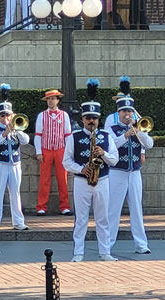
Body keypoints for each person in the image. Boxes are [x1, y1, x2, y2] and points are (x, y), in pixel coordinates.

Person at [63, 79, 119, 262]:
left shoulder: (106, 136)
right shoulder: (75, 136)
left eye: (94, 118)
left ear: (98, 118)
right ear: (82, 119)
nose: (91, 121)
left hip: (102, 180)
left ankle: (105, 252)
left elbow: (115, 159)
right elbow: (66, 162)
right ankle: (78, 253)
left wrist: (103, 153)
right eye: (88, 118)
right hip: (82, 181)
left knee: (103, 219)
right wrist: (81, 169)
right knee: (81, 219)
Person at [108, 76, 153, 254]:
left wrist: (139, 132)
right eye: (124, 112)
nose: (127, 115)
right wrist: (126, 134)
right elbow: (112, 147)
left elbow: (149, 145)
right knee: (113, 210)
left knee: (137, 209)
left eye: (129, 112)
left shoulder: (138, 128)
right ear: (118, 113)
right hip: (117, 172)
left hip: (134, 172)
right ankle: (107, 245)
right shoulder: (112, 129)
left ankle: (141, 245)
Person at [0, 84, 29, 231]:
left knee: (15, 193)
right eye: (2, 115)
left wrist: (15, 130)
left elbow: (25, 141)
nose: (5, 118)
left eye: (8, 115)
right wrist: (4, 134)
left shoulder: (17, 128)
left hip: (15, 164)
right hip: (0, 164)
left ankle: (18, 222)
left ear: (12, 115)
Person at [34, 89, 72, 216]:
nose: (51, 101)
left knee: (63, 178)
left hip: (61, 149)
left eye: (53, 99)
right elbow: (38, 134)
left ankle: (65, 206)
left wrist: (68, 151)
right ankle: (41, 206)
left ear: (58, 100)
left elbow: (67, 134)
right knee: (44, 179)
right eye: (49, 99)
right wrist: (39, 151)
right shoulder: (42, 115)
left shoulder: (64, 115)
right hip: (46, 149)